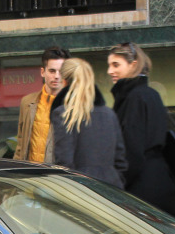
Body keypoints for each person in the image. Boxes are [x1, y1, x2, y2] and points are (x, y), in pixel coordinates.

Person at [107, 42, 175, 213]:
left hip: (140, 191)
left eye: (116, 65)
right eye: (109, 65)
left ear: (133, 64)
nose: (110, 71)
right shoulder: (151, 95)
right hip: (159, 183)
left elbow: (132, 151)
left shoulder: (134, 98)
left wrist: (114, 186)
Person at [48, 58, 126, 187]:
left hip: (82, 192)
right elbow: (120, 162)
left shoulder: (64, 114)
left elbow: (64, 162)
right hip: (112, 190)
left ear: (64, 81)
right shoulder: (109, 114)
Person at [15, 45, 70, 163]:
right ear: (42, 72)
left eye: (61, 72)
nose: (56, 76)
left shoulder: (74, 106)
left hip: (58, 177)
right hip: (28, 175)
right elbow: (20, 144)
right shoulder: (27, 102)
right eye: (52, 71)